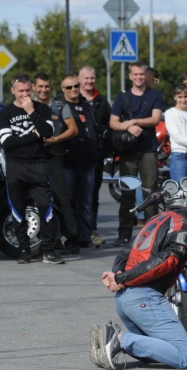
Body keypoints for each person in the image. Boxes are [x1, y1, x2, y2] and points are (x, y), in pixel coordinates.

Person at [90, 184, 187, 370]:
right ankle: (119, 339)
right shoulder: (185, 231)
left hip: (125, 301)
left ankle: (114, 340)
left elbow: (127, 250)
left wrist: (117, 275)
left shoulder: (161, 216)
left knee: (159, 353)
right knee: (186, 357)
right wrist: (122, 279)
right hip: (144, 299)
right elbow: (163, 264)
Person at [0, 74, 64, 265]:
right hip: (15, 166)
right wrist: (33, 135)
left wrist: (31, 113)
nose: (25, 94)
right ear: (13, 91)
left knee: (45, 208)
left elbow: (47, 132)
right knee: (18, 210)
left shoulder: (42, 108)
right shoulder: (5, 113)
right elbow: (7, 143)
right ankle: (24, 250)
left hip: (38, 165)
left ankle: (49, 251)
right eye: (21, 91)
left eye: (28, 90)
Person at [109, 61, 163, 247]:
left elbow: (155, 119)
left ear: (145, 75)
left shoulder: (154, 95)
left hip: (148, 149)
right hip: (128, 151)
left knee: (150, 192)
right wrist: (128, 127)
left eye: (142, 74)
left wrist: (132, 122)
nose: (139, 77)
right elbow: (114, 122)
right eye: (136, 74)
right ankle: (124, 234)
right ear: (130, 76)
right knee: (127, 194)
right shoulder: (122, 97)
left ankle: (152, 234)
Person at [32, 73, 80, 255]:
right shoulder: (30, 106)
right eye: (40, 86)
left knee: (61, 198)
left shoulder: (60, 106)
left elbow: (73, 129)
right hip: (35, 159)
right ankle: (53, 238)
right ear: (34, 88)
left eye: (46, 86)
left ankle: (72, 239)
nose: (43, 90)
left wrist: (55, 140)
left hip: (55, 158)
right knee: (42, 201)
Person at [59, 74, 100, 248]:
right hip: (68, 162)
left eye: (76, 86)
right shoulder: (60, 106)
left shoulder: (86, 105)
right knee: (68, 201)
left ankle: (84, 237)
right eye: (69, 87)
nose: (74, 89)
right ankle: (69, 236)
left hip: (89, 161)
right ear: (63, 90)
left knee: (86, 202)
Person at [78, 65, 111, 248]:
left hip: (97, 155)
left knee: (93, 196)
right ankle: (75, 232)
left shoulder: (101, 101)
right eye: (86, 78)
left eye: (92, 78)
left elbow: (109, 124)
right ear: (79, 79)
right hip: (77, 155)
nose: (89, 81)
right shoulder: (75, 99)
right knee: (76, 195)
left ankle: (91, 230)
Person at [165, 85, 187, 183]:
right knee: (180, 191)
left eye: (186, 96)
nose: (183, 100)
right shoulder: (170, 113)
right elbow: (176, 136)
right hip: (180, 154)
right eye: (180, 97)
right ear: (175, 97)